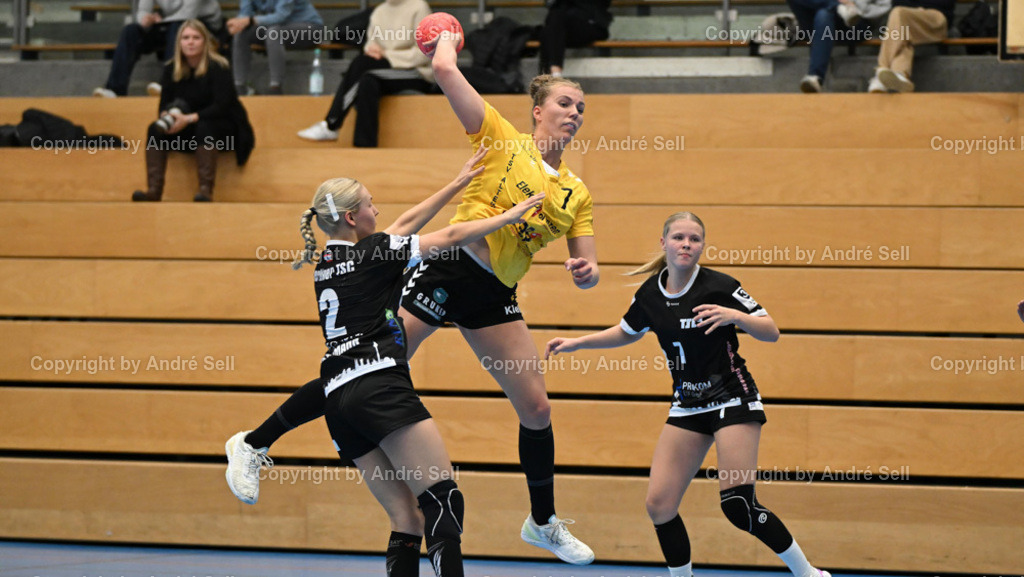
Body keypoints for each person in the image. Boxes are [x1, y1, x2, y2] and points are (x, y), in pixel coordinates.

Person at [225, 40, 600, 565]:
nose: (574, 113)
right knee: (365, 360)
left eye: (580, 107)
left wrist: (585, 272)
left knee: (536, 408)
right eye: (564, 103)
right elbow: (443, 68)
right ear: (537, 110)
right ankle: (255, 442)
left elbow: (589, 268)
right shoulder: (500, 138)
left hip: (495, 293)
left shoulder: (577, 193)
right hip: (447, 269)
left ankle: (542, 522)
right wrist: (443, 36)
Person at [226, 148, 544, 577]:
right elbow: (451, 237)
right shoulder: (374, 253)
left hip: (338, 404)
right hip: (379, 387)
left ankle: (254, 442)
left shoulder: (329, 262)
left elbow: (405, 224)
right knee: (443, 500)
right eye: (371, 204)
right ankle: (252, 443)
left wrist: (455, 185)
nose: (377, 210)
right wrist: (510, 216)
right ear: (352, 217)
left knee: (406, 518)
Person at [544, 212, 831, 577]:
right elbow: (627, 331)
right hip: (687, 406)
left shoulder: (720, 286)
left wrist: (734, 316)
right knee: (659, 505)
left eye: (694, 239)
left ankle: (810, 574)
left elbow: (770, 331)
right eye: (679, 237)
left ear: (702, 246)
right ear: (663, 243)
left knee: (738, 505)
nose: (686, 244)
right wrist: (577, 343)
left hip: (732, 399)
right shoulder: (650, 293)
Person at [131, 20, 255, 202]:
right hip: (189, 128)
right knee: (154, 128)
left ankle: (205, 190)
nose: (190, 42)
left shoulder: (219, 66)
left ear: (205, 42)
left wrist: (189, 118)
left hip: (224, 129)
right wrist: (168, 117)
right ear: (179, 42)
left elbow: (223, 106)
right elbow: (163, 105)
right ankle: (154, 190)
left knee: (204, 126)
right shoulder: (171, 68)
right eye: (186, 38)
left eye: (196, 38)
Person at [298, 0, 434, 146]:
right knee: (366, 77)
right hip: (386, 67)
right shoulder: (380, 11)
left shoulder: (419, 7)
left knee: (364, 70)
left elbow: (425, 53)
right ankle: (364, 147)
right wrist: (372, 51)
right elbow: (371, 44)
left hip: (416, 72)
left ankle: (332, 123)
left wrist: (386, 54)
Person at [92, 0, 223, 98]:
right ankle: (115, 90)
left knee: (177, 27)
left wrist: (161, 21)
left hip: (204, 24)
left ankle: (167, 85)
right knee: (130, 31)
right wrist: (145, 20)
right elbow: (143, 10)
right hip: (171, 24)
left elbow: (188, 14)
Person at [227, 0, 324, 95]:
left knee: (273, 33)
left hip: (309, 28)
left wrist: (250, 20)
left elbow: (281, 16)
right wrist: (238, 24)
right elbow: (244, 14)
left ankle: (276, 87)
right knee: (241, 34)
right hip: (276, 27)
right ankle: (239, 87)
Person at [866, 0, 955, 92]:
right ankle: (900, 73)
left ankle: (881, 70)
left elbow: (944, 3)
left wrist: (917, 8)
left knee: (899, 13)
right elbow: (897, 2)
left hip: (936, 19)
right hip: (908, 19)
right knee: (902, 31)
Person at [538, 0, 612, 77]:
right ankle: (553, 74)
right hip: (562, 25)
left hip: (590, 23)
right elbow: (550, 3)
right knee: (549, 29)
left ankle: (550, 75)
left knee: (550, 29)